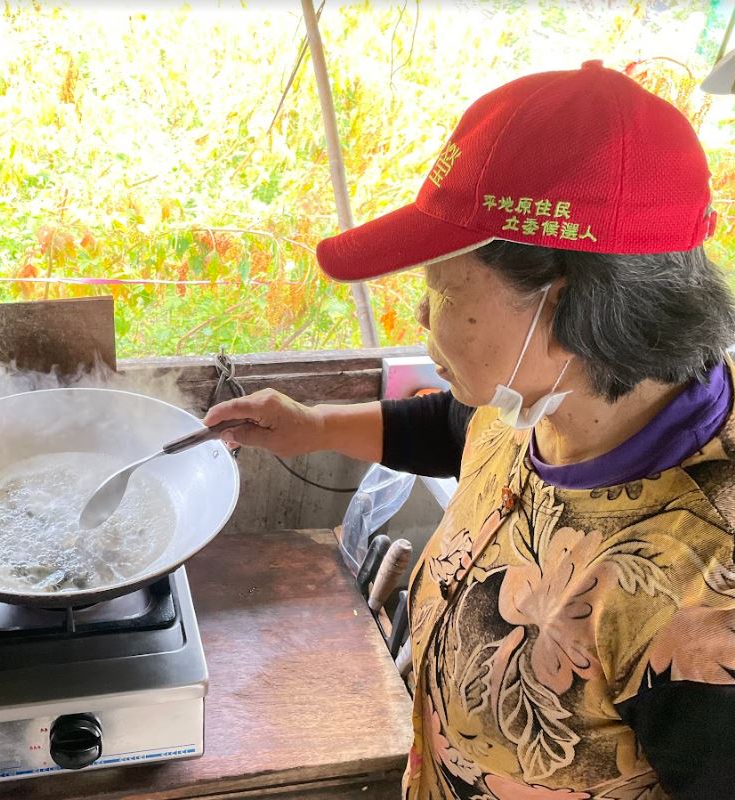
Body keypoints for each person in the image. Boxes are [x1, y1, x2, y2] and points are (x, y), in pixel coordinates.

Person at [203, 61, 735, 799]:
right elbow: (458, 431)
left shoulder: (705, 609)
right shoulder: (536, 397)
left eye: (443, 289)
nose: (421, 320)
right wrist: (312, 426)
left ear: (570, 308)